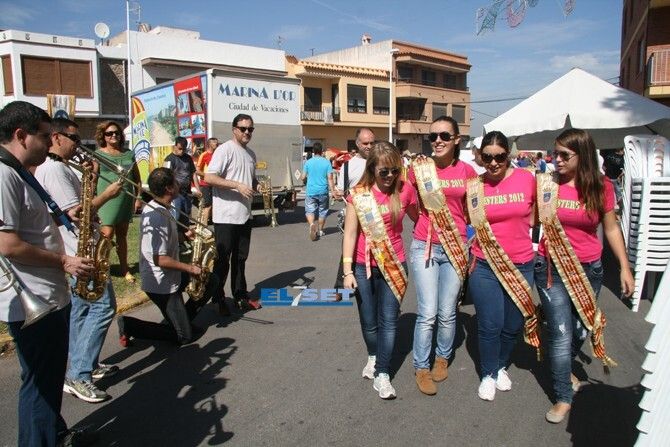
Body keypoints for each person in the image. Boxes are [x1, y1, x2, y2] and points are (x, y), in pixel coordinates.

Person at [0, 101, 95, 446]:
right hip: (35, 299)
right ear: (21, 135)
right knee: (40, 384)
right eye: (44, 136)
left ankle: (54, 434)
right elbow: (7, 244)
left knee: (45, 380)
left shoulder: (19, 171)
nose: (50, 143)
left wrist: (61, 217)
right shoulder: (4, 175)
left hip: (46, 294)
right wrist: (64, 261)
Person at [534, 129, 634, 423]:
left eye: (565, 155)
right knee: (561, 332)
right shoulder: (547, 183)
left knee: (580, 329)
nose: (557, 160)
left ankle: (562, 364)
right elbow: (527, 216)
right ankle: (563, 395)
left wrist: (624, 266)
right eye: (555, 153)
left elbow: (611, 228)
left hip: (589, 269)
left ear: (584, 155)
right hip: (551, 268)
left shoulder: (601, 186)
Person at [34, 118, 122, 404]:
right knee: (103, 308)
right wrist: (107, 194)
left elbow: (80, 207)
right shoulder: (55, 170)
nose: (79, 145)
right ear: (56, 137)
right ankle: (79, 375)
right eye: (73, 138)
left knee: (82, 311)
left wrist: (92, 180)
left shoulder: (61, 167)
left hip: (80, 247)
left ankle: (84, 364)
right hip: (80, 250)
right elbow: (77, 214)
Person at [466, 130, 540, 402]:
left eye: (499, 157)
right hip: (485, 265)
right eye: (487, 157)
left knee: (512, 324)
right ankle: (487, 374)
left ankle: (500, 366)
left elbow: (538, 214)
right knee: (490, 324)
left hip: (521, 263)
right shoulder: (475, 186)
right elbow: (466, 218)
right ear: (480, 157)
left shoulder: (527, 179)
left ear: (508, 155)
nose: (494, 163)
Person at [342, 141, 418, 399]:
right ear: (372, 168)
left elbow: (420, 217)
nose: (390, 176)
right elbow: (350, 234)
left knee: (388, 321)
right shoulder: (359, 195)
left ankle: (383, 373)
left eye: (395, 170)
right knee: (369, 320)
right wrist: (347, 271)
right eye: (384, 171)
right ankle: (373, 355)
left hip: (394, 263)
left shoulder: (405, 190)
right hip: (363, 266)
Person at [408, 116, 478, 395]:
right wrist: (423, 224)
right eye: (433, 136)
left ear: (457, 139)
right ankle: (421, 367)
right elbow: (409, 202)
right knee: (427, 312)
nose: (437, 141)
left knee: (448, 312)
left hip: (455, 247)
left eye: (444, 136)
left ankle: (441, 358)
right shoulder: (419, 168)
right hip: (424, 245)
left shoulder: (467, 171)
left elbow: (473, 212)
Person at [117, 167, 219, 346]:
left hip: (171, 276)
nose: (179, 184)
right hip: (160, 284)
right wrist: (190, 268)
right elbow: (159, 259)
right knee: (184, 336)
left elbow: (165, 240)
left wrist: (184, 236)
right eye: (175, 181)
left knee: (211, 280)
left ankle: (181, 321)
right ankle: (129, 325)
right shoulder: (157, 216)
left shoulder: (164, 207)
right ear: (169, 188)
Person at [204, 114, 260, 312]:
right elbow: (209, 177)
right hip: (226, 216)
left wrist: (257, 185)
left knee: (240, 259)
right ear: (234, 129)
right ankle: (218, 298)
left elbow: (250, 179)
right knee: (222, 260)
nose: (247, 132)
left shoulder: (251, 154)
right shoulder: (225, 150)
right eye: (243, 128)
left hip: (244, 214)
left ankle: (240, 295)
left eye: (250, 129)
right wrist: (237, 185)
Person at [95, 120, 142, 283]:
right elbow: (93, 178)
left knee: (122, 235)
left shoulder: (129, 154)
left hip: (125, 199)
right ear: (103, 136)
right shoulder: (98, 154)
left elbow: (137, 179)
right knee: (106, 235)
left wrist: (138, 198)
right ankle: (101, 268)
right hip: (106, 200)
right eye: (109, 133)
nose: (113, 135)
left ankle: (124, 269)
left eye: (116, 132)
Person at [332, 128, 375, 290]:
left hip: (378, 216)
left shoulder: (380, 161)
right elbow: (341, 192)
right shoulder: (348, 166)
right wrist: (337, 193)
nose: (369, 146)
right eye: (365, 143)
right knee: (350, 250)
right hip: (354, 217)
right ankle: (341, 285)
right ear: (357, 144)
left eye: (372, 143)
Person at [164, 136, 202, 253]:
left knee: (185, 219)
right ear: (175, 146)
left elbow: (193, 174)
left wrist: (198, 189)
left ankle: (181, 242)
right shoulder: (169, 159)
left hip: (187, 193)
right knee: (176, 218)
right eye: (180, 149)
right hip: (175, 194)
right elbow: (165, 176)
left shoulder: (188, 158)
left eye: (184, 149)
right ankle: (173, 243)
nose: (182, 151)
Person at [301, 145, 334, 241]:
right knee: (322, 211)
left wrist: (306, 180)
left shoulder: (308, 162)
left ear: (313, 151)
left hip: (311, 191)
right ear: (322, 151)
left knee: (310, 210)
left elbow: (302, 177)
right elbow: (330, 178)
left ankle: (312, 224)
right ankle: (320, 230)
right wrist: (333, 191)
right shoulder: (327, 162)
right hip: (323, 191)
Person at [196, 137, 219, 225]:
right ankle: (204, 225)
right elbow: (197, 171)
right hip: (205, 184)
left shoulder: (217, 155)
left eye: (217, 142)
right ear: (209, 144)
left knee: (215, 205)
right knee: (207, 205)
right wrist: (208, 176)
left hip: (215, 184)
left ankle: (214, 223)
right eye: (214, 142)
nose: (216, 144)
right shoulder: (204, 155)